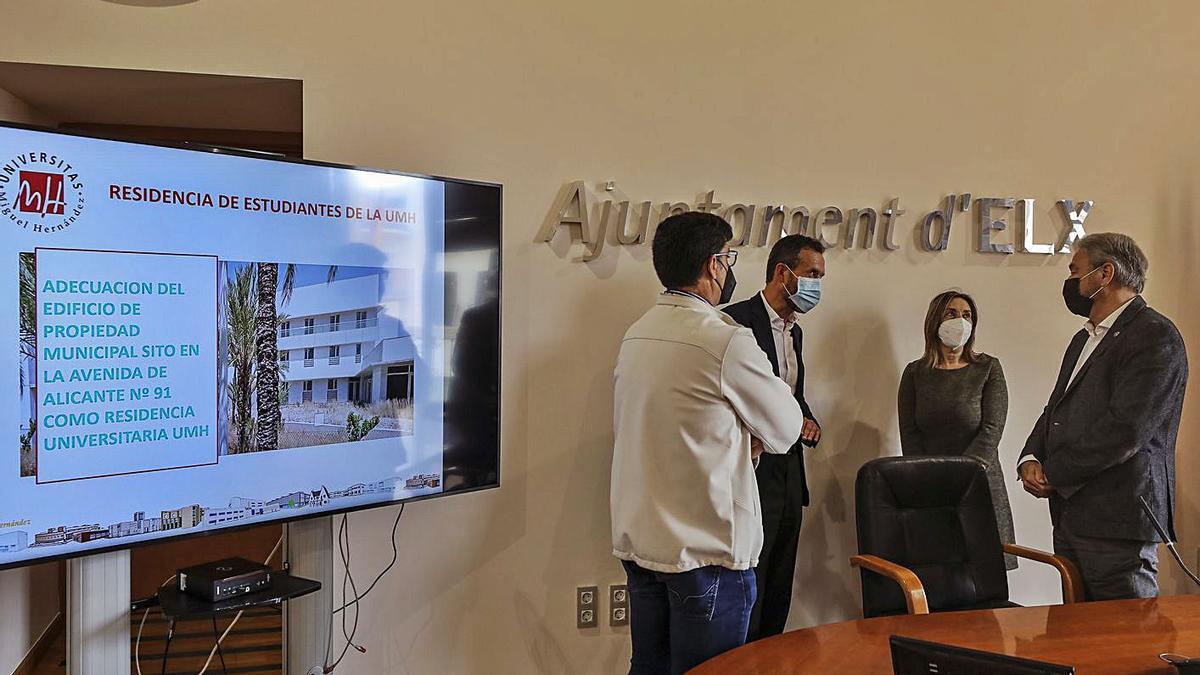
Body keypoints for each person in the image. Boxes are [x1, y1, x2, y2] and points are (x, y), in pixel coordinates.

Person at [610, 211, 804, 674]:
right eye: (729, 258)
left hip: (642, 545)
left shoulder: (637, 333)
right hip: (706, 554)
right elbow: (787, 426)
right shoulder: (723, 339)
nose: (730, 268)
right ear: (714, 265)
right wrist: (747, 437)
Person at [1018, 233, 1188, 600]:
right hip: (1072, 514)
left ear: (1104, 274)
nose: (1071, 282)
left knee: (1127, 643)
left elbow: (1126, 430)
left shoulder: (1155, 336)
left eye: (1075, 271)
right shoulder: (1084, 339)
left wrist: (1055, 472)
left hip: (1119, 520)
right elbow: (1056, 408)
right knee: (1080, 639)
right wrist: (1031, 457)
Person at [722, 234, 823, 640]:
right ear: (783, 272)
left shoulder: (795, 332)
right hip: (751, 471)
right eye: (812, 274)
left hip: (789, 473)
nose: (817, 284)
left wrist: (807, 420)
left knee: (781, 579)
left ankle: (771, 659)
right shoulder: (733, 322)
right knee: (751, 583)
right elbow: (728, 399)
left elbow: (791, 396)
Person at [897, 291, 1016, 569]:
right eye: (951, 314)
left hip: (980, 484)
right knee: (937, 574)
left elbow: (991, 429)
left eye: (967, 315)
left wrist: (961, 475)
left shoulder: (988, 368)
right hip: (931, 489)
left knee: (985, 578)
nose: (960, 321)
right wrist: (932, 479)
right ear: (935, 320)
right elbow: (910, 436)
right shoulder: (915, 373)